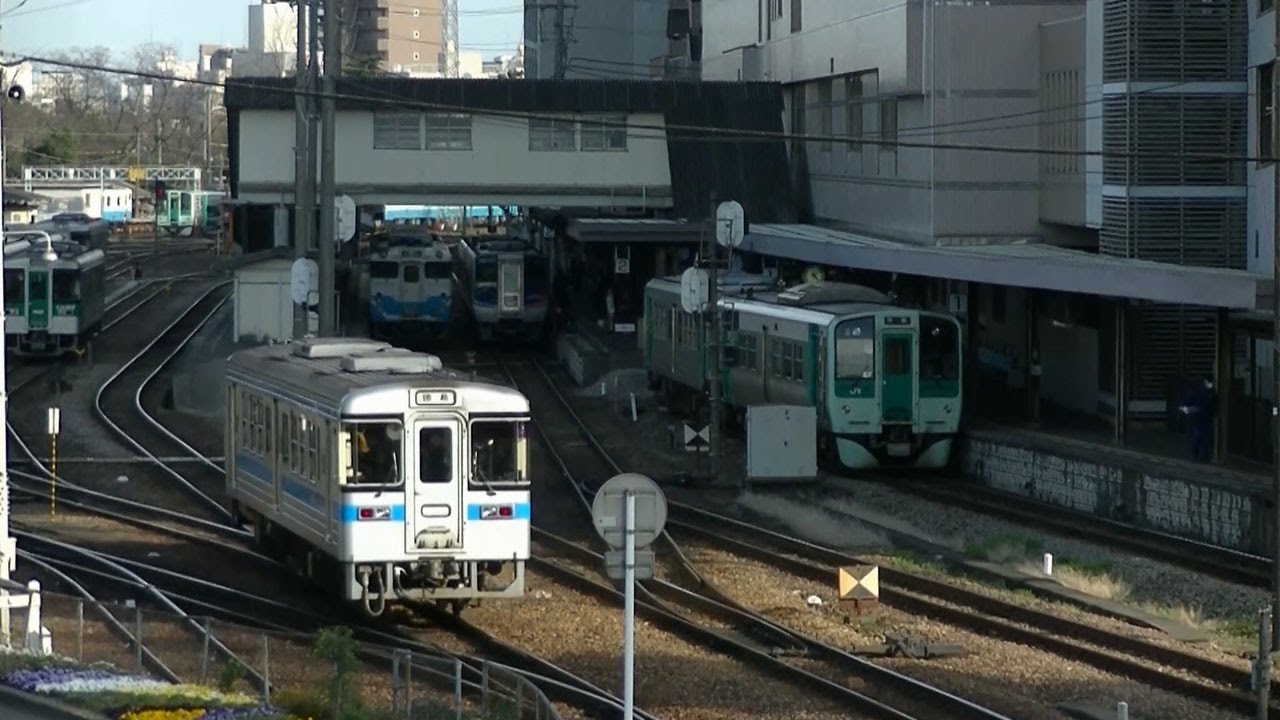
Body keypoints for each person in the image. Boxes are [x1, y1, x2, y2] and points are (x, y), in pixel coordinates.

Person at [1179, 376, 1216, 464]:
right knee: (1202, 438)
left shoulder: (1199, 391)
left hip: (1199, 418)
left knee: (1199, 438)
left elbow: (1186, 403)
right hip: (1203, 418)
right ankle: (1202, 457)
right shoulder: (1209, 392)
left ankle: (1198, 456)